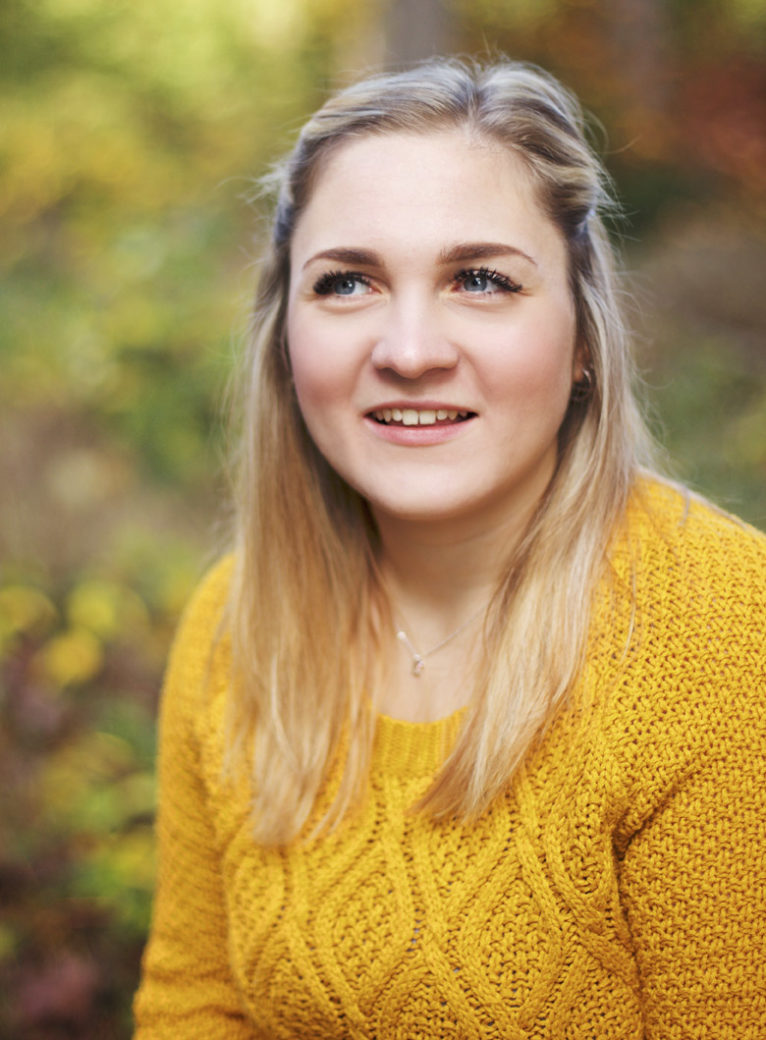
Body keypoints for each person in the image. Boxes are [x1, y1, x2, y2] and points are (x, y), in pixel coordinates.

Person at [133, 57, 766, 1038]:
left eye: (480, 279)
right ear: (283, 335)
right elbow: (192, 1004)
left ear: (583, 335)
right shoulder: (236, 622)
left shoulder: (722, 633)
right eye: (347, 282)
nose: (410, 349)